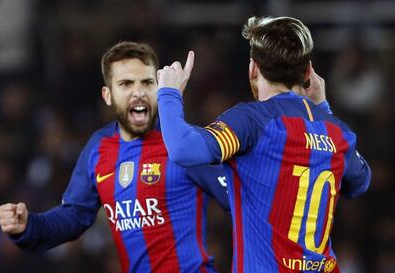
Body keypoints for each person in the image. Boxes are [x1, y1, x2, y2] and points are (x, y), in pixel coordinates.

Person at [156, 16, 371, 272]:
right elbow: (360, 181)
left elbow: (183, 149)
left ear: (253, 68)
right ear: (307, 73)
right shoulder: (336, 130)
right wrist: (323, 107)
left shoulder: (253, 120)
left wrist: (168, 93)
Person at [0, 41, 229, 273]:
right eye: (126, 84)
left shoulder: (183, 143)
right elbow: (75, 215)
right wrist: (30, 226)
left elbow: (239, 200)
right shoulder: (98, 148)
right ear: (108, 96)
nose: (138, 93)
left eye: (147, 83)